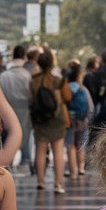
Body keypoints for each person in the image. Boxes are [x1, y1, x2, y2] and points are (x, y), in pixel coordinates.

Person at [29, 50, 68, 193]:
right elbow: (65, 98)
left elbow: (31, 101)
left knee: (40, 150)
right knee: (58, 151)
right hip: (56, 119)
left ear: (39, 63)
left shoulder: (33, 81)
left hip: (40, 119)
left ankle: (40, 182)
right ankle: (58, 184)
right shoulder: (57, 80)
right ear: (52, 64)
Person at [0, 44, 33, 171]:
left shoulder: (4, 76)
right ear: (24, 56)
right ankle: (25, 161)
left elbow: (0, 95)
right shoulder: (28, 75)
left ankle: (8, 163)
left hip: (8, 110)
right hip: (26, 110)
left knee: (10, 136)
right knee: (26, 136)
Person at [62, 58, 92, 177]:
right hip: (82, 121)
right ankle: (81, 168)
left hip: (69, 120)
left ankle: (72, 170)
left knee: (70, 145)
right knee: (80, 144)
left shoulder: (65, 88)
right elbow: (90, 107)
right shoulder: (83, 89)